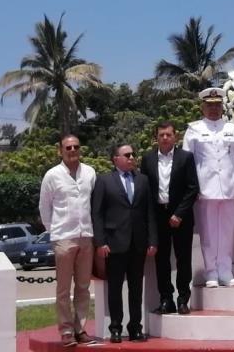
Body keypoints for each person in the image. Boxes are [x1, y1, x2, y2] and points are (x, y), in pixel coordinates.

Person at [182, 87, 234, 288]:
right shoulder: (194, 129)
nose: (213, 109)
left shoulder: (232, 129)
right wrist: (191, 188)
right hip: (205, 188)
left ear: (222, 107)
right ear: (203, 107)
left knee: (228, 231)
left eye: (217, 105)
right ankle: (211, 271)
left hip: (230, 186)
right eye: (209, 105)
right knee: (209, 231)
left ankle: (226, 270)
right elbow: (188, 161)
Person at [92, 144, 158, 343]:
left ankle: (136, 327)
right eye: (126, 155)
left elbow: (150, 213)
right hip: (114, 244)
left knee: (136, 288)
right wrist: (100, 242)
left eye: (133, 154)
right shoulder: (104, 181)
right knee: (114, 289)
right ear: (115, 159)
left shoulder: (143, 180)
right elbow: (97, 214)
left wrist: (152, 240)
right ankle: (115, 328)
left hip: (138, 244)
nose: (131, 157)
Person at [39, 135, 98, 348]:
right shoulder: (52, 175)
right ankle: (65, 330)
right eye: (68, 147)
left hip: (86, 236)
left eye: (76, 147)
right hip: (63, 238)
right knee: (63, 289)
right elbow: (44, 208)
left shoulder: (90, 172)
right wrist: (53, 231)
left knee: (83, 286)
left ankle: (80, 329)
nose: (72, 150)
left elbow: (94, 203)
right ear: (61, 151)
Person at [140, 121, 199, 315]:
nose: (165, 138)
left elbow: (192, 188)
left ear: (176, 137)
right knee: (161, 259)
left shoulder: (186, 158)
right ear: (155, 138)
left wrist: (179, 214)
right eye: (161, 135)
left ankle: (183, 299)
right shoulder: (147, 159)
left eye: (168, 134)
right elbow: (145, 190)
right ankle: (166, 299)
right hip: (158, 216)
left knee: (183, 258)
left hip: (181, 216)